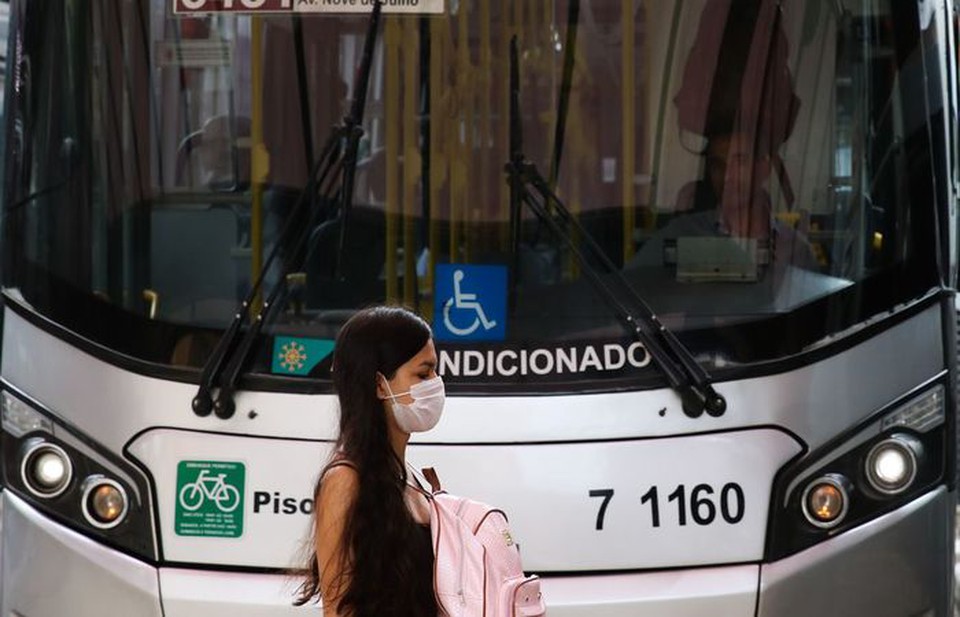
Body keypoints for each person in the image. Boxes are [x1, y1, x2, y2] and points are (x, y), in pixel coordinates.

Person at [294, 305, 442, 616]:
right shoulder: (345, 480)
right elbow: (338, 608)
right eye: (423, 373)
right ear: (378, 384)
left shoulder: (413, 478)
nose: (436, 384)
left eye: (436, 372)